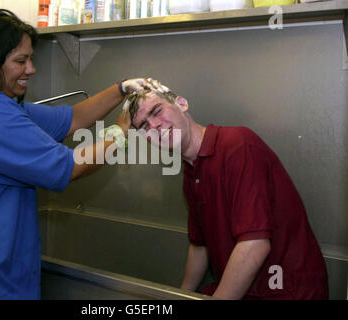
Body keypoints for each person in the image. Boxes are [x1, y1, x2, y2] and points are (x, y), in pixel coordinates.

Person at [0, 9, 152, 299]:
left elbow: (71, 119)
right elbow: (71, 167)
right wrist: (122, 130)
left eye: (30, 58)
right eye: (20, 61)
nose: (31, 69)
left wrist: (122, 89)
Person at [126, 81, 329, 300]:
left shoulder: (238, 145)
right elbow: (199, 246)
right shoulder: (192, 172)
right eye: (144, 126)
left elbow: (255, 244)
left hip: (288, 292)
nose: (154, 125)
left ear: (182, 104)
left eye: (157, 111)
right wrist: (180, 296)